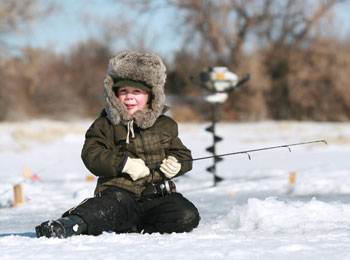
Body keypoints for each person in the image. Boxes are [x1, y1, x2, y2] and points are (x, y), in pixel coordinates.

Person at [35, 50, 200, 238]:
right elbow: (91, 154)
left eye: (136, 91)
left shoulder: (165, 124)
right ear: (114, 94)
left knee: (187, 215)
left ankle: (133, 225)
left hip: (157, 197)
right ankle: (67, 225)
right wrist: (124, 164)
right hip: (119, 195)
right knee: (101, 210)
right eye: (123, 91)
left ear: (151, 95)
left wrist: (177, 164)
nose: (129, 97)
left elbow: (184, 155)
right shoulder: (105, 124)